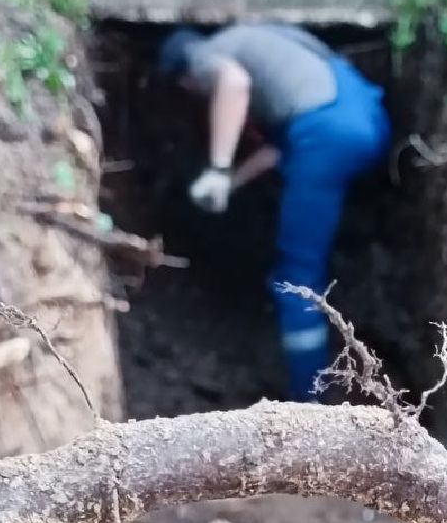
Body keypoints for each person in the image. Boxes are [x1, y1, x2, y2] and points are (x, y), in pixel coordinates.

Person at [157, 22, 392, 402]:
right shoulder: (260, 41)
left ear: (186, 80)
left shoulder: (205, 54)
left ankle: (309, 402)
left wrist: (217, 168)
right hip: (366, 117)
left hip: (326, 134)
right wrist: (230, 184)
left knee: (296, 279)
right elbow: (281, 150)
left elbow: (232, 83)